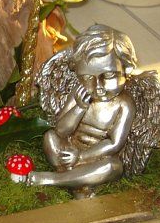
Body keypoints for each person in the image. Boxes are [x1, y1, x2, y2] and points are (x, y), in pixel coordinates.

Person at [27, 25, 137, 198]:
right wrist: (79, 107)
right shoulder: (79, 92)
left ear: (127, 69)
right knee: (50, 137)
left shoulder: (124, 104)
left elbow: (114, 144)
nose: (98, 87)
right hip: (69, 149)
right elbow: (61, 131)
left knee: (113, 167)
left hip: (97, 156)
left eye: (109, 76)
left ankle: (55, 179)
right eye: (87, 78)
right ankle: (79, 182)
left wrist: (80, 157)